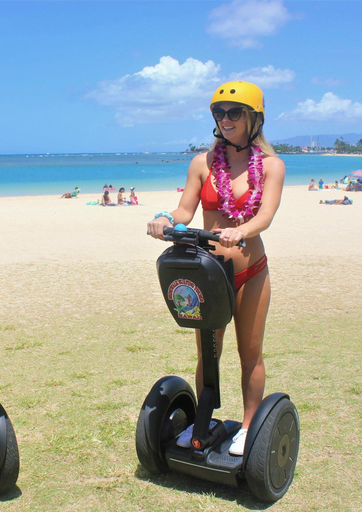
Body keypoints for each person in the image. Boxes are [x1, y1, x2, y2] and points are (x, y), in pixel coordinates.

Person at [147, 81, 285, 456]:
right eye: (219, 113)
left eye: (234, 112)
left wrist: (241, 229)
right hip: (207, 273)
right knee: (209, 350)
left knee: (249, 351)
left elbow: (266, 216)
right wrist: (163, 219)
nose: (226, 119)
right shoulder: (202, 163)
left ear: (254, 118)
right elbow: (184, 211)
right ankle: (203, 421)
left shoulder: (272, 166)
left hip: (250, 271)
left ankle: (248, 423)